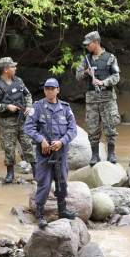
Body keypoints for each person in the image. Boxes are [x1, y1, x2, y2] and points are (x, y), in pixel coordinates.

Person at [23, 78, 78, 228]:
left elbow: (73, 130)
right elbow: (28, 128)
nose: (49, 91)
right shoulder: (37, 107)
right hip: (44, 154)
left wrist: (62, 142)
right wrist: (41, 140)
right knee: (44, 184)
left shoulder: (66, 108)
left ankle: (62, 210)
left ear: (58, 90)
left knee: (62, 183)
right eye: (47, 88)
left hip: (61, 153)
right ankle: (40, 214)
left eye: (52, 88)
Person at [75, 31, 121, 165]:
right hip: (92, 100)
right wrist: (86, 72)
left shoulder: (110, 58)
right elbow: (78, 77)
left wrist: (103, 82)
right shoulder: (86, 60)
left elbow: (116, 77)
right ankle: (95, 155)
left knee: (110, 127)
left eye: (88, 44)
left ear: (96, 42)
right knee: (92, 128)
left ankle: (111, 154)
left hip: (107, 99)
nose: (87, 47)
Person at [0, 56, 35, 183]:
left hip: (22, 119)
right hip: (7, 122)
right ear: (6, 69)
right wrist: (7, 106)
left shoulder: (19, 81)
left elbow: (28, 95)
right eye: (13, 66)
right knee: (9, 147)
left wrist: (29, 107)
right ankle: (10, 173)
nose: (15, 68)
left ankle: (36, 172)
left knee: (28, 144)